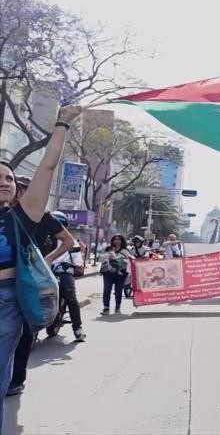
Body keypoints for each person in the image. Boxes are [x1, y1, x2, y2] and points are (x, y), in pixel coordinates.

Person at [0, 105, 82, 421]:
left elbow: (47, 167)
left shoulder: (23, 217)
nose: (6, 182)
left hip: (6, 302)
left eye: (9, 177)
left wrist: (61, 122)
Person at [6, 172, 78, 398]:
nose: (21, 191)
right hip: (8, 280)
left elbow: (68, 241)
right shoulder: (7, 214)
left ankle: (16, 380)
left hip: (35, 280)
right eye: (19, 187)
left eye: (23, 187)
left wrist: (48, 259)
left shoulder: (44, 217)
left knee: (25, 332)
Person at [46, 211, 86, 342]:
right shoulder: (42, 239)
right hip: (44, 273)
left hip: (63, 273)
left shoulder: (72, 243)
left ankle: (78, 328)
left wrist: (75, 266)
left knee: (71, 298)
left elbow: (78, 262)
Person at [99, 234, 134, 314]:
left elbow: (130, 259)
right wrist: (108, 256)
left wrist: (126, 259)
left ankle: (117, 306)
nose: (117, 241)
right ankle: (106, 308)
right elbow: (100, 258)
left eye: (119, 239)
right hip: (108, 272)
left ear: (122, 241)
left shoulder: (125, 250)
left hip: (121, 273)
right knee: (107, 290)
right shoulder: (108, 249)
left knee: (118, 290)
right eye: (115, 239)